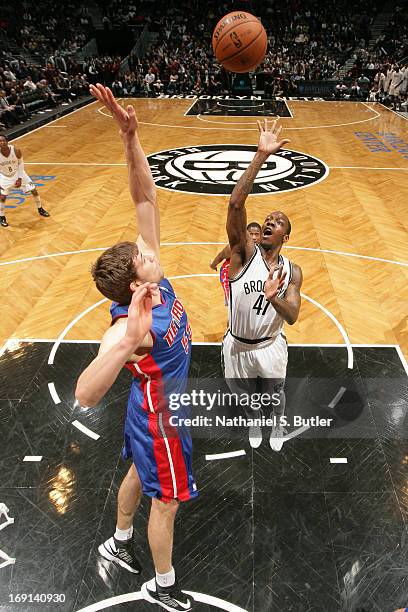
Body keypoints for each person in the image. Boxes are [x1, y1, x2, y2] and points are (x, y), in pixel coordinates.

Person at [75, 84, 196, 612]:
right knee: (165, 501)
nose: (152, 249)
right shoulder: (131, 323)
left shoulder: (155, 281)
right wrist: (126, 342)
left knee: (133, 474)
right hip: (159, 418)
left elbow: (144, 197)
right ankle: (163, 585)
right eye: (145, 255)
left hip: (145, 409)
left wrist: (131, 138)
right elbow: (83, 393)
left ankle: (118, 544)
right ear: (132, 284)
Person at [222, 119, 303, 451]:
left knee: (274, 394)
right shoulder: (243, 254)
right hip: (236, 345)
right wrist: (260, 156)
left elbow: (294, 315)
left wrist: (274, 300)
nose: (271, 221)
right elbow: (235, 205)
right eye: (268, 218)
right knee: (247, 398)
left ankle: (278, 423)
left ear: (286, 235)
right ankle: (256, 420)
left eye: (278, 221)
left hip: (271, 346)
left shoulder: (292, 270)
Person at [0, 136, 49, 227]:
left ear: (7, 141)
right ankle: (2, 216)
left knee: (34, 190)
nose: (2, 142)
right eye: (0, 141)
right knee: (2, 197)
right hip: (5, 176)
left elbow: (21, 164)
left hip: (18, 172)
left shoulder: (15, 150)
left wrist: (19, 178)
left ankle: (40, 209)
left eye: (3, 140)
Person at [210, 222, 261, 305]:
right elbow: (221, 256)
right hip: (229, 276)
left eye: (256, 234)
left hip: (245, 275)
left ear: (261, 236)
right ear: (245, 235)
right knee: (233, 303)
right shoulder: (235, 247)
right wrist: (213, 265)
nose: (254, 237)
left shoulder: (262, 248)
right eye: (251, 234)